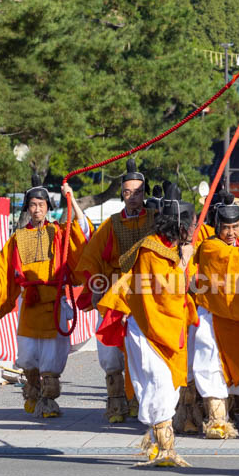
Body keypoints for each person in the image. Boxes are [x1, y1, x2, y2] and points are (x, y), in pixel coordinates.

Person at [96, 184, 198, 467]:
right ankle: (165, 448)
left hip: (167, 327)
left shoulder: (173, 250)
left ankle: (155, 443)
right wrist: (184, 263)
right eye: (187, 226)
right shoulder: (150, 250)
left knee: (163, 387)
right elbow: (166, 291)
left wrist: (185, 262)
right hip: (148, 328)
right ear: (177, 227)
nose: (190, 232)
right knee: (159, 386)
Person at [0, 177, 89, 418]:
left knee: (52, 358)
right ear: (27, 208)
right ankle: (33, 393)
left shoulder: (58, 232)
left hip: (54, 302)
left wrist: (72, 198)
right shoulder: (17, 237)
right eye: (33, 205)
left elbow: (83, 232)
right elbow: (0, 268)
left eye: (41, 204)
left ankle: (48, 403)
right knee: (27, 358)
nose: (37, 209)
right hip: (30, 305)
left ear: (48, 207)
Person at [74, 158, 153, 423]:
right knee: (110, 352)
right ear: (122, 193)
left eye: (138, 192)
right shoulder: (110, 224)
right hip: (113, 294)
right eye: (128, 192)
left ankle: (138, 401)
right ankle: (116, 402)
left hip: (145, 296)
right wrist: (97, 289)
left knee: (140, 352)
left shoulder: (155, 220)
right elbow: (92, 259)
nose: (133, 198)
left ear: (145, 193)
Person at [190, 203, 239, 438]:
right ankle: (215, 421)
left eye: (235, 227)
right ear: (217, 227)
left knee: (233, 367)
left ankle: (226, 417)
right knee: (210, 366)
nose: (231, 232)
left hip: (238, 317)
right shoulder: (211, 246)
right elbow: (233, 258)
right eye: (226, 227)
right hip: (211, 316)